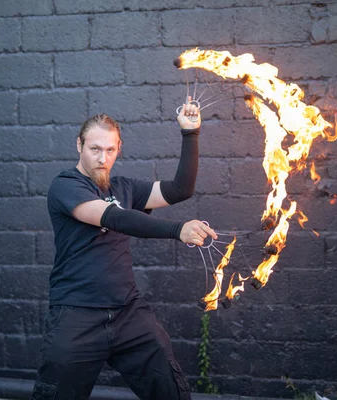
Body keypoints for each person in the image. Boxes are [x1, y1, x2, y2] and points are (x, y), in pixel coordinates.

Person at [32, 98, 217, 400]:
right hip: (77, 314)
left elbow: (181, 189)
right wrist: (177, 230)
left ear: (119, 149)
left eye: (110, 150)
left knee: (170, 390)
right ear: (79, 145)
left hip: (127, 312)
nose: (102, 158)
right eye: (94, 149)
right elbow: (113, 217)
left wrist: (190, 134)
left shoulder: (125, 188)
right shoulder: (65, 185)